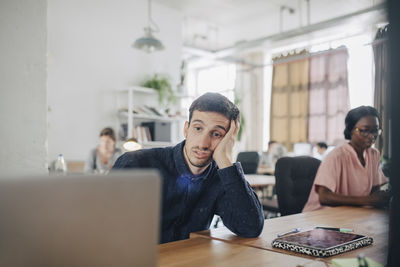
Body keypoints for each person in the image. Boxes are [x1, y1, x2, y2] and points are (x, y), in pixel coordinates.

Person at [113, 92, 264, 243]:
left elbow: (250, 228)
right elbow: (103, 228)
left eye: (216, 134)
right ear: (186, 129)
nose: (203, 143)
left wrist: (225, 159)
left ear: (228, 140)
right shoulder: (136, 164)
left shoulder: (220, 177)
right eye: (198, 128)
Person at [303, 106, 391, 212]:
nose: (372, 136)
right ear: (350, 130)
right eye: (365, 130)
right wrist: (367, 200)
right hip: (320, 217)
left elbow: (374, 192)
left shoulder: (373, 155)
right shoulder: (336, 156)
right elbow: (324, 197)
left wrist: (381, 198)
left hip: (351, 215)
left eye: (375, 130)